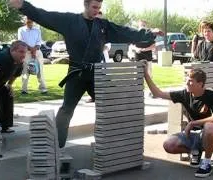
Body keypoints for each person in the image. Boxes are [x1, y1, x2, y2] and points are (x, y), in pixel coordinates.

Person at [9, 0, 162, 148]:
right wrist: (24, 6)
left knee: (109, 107)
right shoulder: (69, 21)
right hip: (77, 73)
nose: (97, 11)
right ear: (85, 5)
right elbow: (45, 16)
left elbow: (126, 32)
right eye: (94, 7)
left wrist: (149, 34)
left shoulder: (103, 25)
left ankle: (114, 143)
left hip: (97, 74)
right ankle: (56, 145)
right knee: (66, 109)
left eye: (99, 8)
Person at [144, 62, 213, 178]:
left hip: (210, 136)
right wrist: (145, 74)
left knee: (209, 126)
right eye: (187, 79)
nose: (187, 82)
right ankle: (195, 151)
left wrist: (193, 123)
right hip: (191, 134)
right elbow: (158, 93)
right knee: (168, 145)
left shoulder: (212, 95)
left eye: (190, 81)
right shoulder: (184, 94)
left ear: (200, 84)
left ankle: (206, 163)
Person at [18, 16, 48, 94]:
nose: (30, 22)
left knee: (40, 71)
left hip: (37, 52)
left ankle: (43, 88)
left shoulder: (37, 30)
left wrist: (34, 51)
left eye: (31, 21)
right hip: (26, 53)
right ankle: (24, 89)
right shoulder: (21, 30)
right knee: (25, 71)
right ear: (25, 21)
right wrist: (32, 50)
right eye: (28, 21)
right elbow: (22, 42)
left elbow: (39, 42)